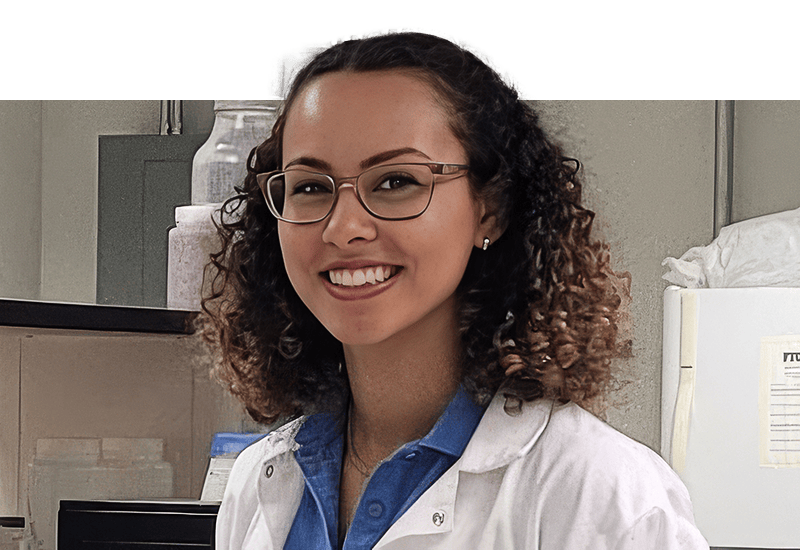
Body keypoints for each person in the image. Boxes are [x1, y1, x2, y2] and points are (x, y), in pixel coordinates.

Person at [201, 29, 709, 549]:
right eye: (310, 187)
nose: (343, 227)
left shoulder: (601, 499)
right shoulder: (259, 485)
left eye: (396, 181)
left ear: (489, 208)